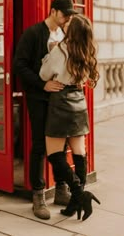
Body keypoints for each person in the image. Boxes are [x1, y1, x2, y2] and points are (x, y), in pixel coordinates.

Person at [13, 0, 77, 220]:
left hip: (61, 100)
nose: (68, 17)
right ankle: (38, 195)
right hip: (39, 98)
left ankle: (61, 190)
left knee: (61, 142)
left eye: (70, 14)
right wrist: (43, 84)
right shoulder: (33, 33)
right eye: (64, 14)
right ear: (52, 11)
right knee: (40, 144)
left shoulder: (66, 34)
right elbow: (19, 64)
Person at [39, 13, 100, 221]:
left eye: (69, 23)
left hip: (61, 101)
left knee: (55, 155)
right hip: (79, 101)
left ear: (71, 31)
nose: (65, 23)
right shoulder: (86, 50)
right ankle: (75, 203)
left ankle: (80, 194)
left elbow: (44, 74)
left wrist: (50, 53)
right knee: (79, 154)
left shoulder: (60, 50)